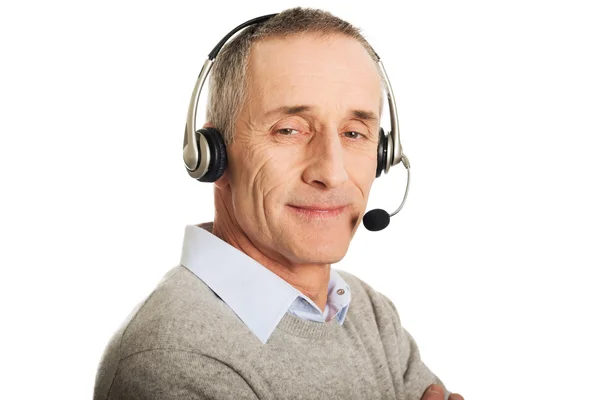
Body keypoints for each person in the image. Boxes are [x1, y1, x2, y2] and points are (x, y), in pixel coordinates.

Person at [94, 7, 464, 400]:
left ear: (384, 153)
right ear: (211, 157)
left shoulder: (370, 313)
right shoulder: (173, 358)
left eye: (354, 133)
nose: (332, 172)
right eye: (288, 130)